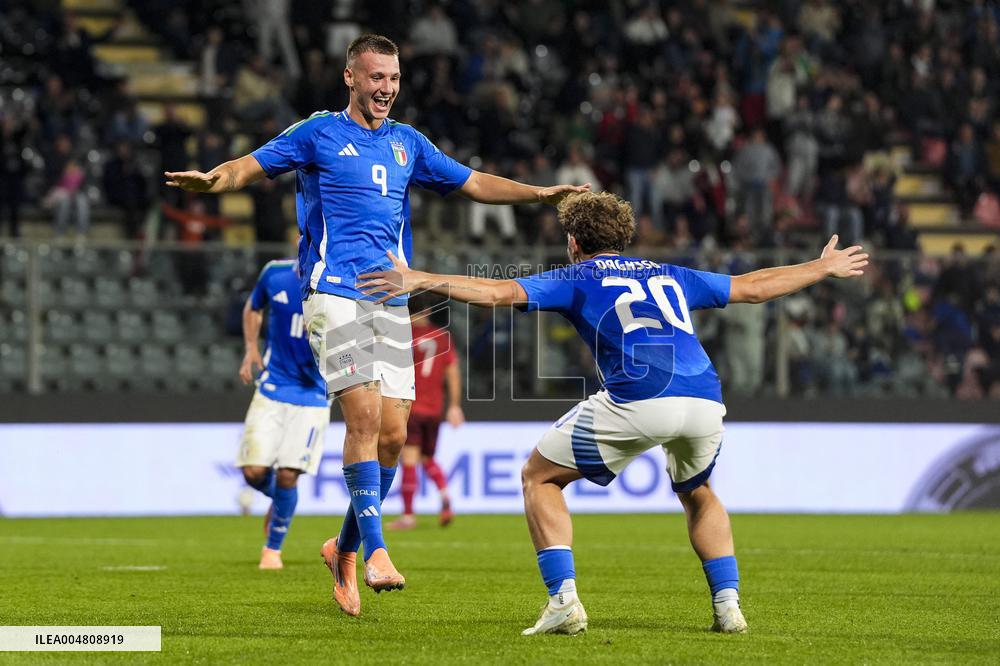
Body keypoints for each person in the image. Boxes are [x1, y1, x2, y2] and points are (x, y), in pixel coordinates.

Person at [164, 34, 588, 617]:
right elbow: (250, 166)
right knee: (363, 415)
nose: (385, 88)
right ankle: (377, 551)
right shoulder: (317, 132)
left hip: (390, 297)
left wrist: (540, 194)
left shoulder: (406, 143)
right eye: (375, 78)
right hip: (333, 291)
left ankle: (342, 548)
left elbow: (473, 182)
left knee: (393, 433)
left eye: (392, 78)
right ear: (351, 78)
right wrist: (215, 181)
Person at [357, 192, 868, 636]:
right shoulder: (671, 272)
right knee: (699, 492)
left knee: (539, 477)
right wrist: (820, 267)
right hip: (706, 398)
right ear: (622, 236)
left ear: (575, 241)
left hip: (641, 397)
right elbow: (752, 287)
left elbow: (497, 292)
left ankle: (563, 601)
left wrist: (420, 278)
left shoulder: (576, 275)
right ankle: (728, 606)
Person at [237, 259, 331, 571]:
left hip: (313, 395)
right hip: (272, 387)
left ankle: (272, 550)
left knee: (289, 473)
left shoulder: (337, 281)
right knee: (252, 472)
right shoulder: (274, 273)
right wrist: (251, 348)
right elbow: (253, 307)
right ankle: (281, 500)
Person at [388, 296, 465, 531]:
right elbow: (453, 374)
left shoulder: (402, 334)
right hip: (434, 409)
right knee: (427, 458)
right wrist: (454, 406)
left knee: (409, 460)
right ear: (428, 310)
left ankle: (408, 516)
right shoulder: (442, 338)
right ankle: (444, 494)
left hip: (411, 405)